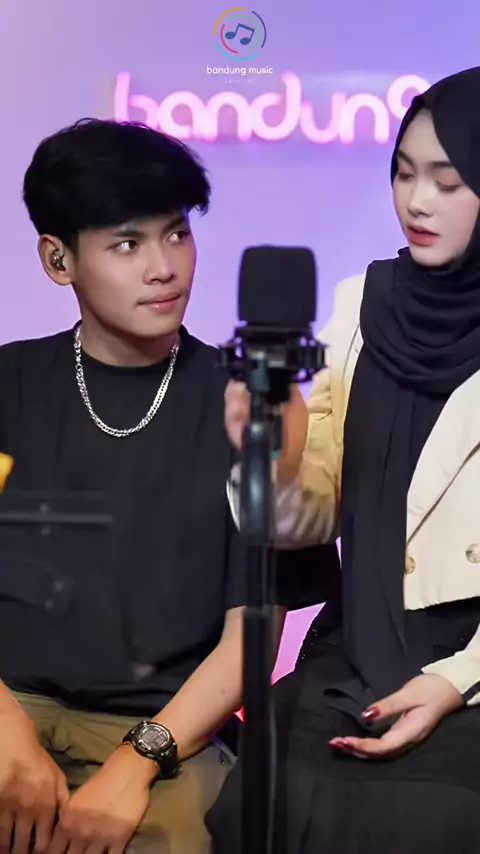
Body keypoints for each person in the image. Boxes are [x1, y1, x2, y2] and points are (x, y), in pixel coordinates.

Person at [207, 67, 480, 853]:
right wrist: (279, 454)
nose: (416, 201)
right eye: (403, 173)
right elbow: (309, 518)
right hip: (357, 648)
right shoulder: (364, 302)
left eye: (448, 182)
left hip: (467, 668)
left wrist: (454, 681)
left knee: (431, 820)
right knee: (258, 803)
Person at [0, 118, 289, 854]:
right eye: (128, 244)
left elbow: (251, 639)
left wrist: (136, 764)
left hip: (164, 731)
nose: (165, 267)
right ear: (57, 259)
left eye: (177, 234)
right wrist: (6, 731)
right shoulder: (10, 383)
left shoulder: (244, 405)